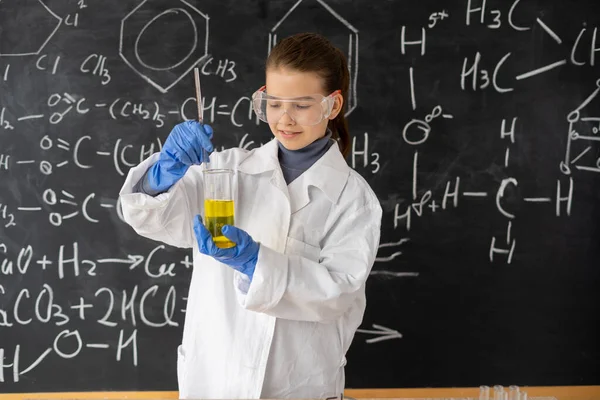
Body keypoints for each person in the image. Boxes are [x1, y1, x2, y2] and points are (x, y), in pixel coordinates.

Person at [119, 32, 382, 399]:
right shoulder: (226, 170)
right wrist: (163, 173)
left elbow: (336, 294)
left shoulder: (353, 198)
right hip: (214, 381)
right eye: (273, 103)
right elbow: (152, 218)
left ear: (332, 105)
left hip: (297, 386)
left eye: (302, 105)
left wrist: (256, 262)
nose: (285, 119)